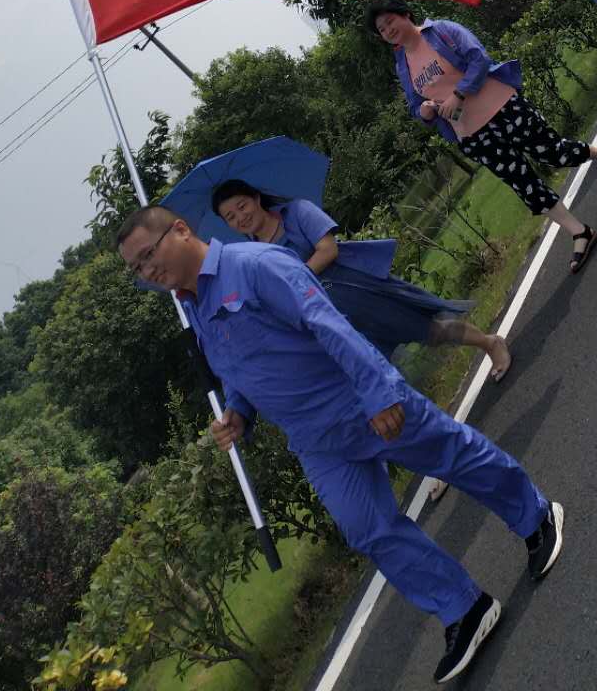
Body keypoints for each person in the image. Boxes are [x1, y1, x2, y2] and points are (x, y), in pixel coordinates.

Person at [116, 207, 563, 683]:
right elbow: (239, 370)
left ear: (181, 230)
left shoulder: (255, 266)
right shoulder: (194, 309)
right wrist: (238, 412)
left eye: (148, 255)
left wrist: (377, 394)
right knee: (369, 529)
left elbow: (328, 325)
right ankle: (464, 607)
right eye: (137, 268)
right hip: (316, 442)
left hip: (359, 402)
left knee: (452, 455)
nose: (148, 271)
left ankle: (535, 517)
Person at [369, 0, 597, 274]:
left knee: (554, 153)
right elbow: (415, 106)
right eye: (381, 30)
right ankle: (580, 232)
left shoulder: (441, 30)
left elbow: (479, 59)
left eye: (390, 21)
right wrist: (425, 111)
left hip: (503, 107)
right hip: (473, 136)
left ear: (406, 14)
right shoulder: (403, 65)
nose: (388, 30)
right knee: (525, 184)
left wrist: (458, 94)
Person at [212, 179, 511, 382]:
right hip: (329, 319)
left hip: (360, 291)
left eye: (242, 206)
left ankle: (489, 343)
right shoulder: (251, 258)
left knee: (430, 330)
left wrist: (295, 280)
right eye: (230, 217)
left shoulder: (298, 211)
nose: (240, 217)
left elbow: (328, 249)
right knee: (378, 374)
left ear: (256, 198)